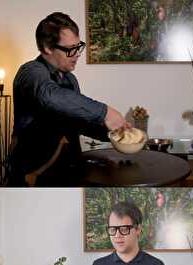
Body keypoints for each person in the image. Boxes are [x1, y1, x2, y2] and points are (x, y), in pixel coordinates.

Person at [9, 12, 131, 186]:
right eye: (69, 49)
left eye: (78, 46)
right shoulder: (30, 72)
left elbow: (78, 122)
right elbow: (49, 95)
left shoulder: (70, 79)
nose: (77, 54)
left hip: (69, 172)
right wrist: (106, 112)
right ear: (47, 47)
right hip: (34, 176)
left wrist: (114, 133)